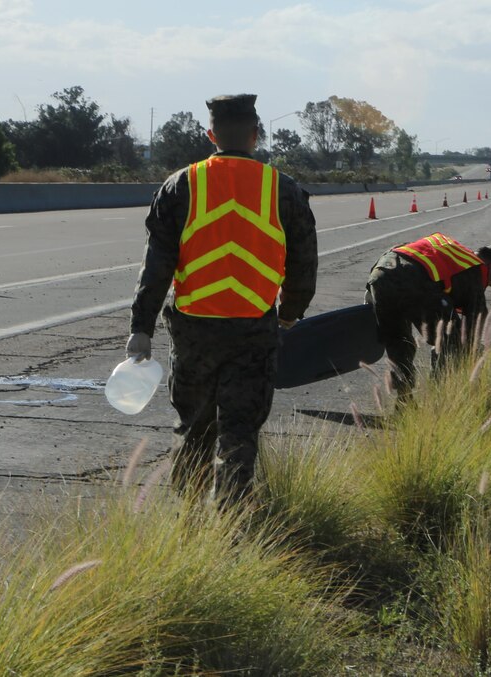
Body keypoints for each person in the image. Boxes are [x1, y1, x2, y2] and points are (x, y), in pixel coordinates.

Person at [125, 94, 318, 506]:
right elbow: (304, 264)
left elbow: (156, 265)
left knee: (193, 427)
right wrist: (289, 315)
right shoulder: (283, 189)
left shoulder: (180, 185)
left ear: (211, 135)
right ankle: (229, 520)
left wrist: (141, 328)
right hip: (253, 327)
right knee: (239, 430)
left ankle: (191, 520)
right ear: (255, 135)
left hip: (194, 329)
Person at [365, 232, 491, 399]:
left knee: (398, 344)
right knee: (451, 340)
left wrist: (371, 289)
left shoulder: (451, 251)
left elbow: (400, 250)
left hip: (380, 273)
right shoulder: (476, 268)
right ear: (490, 266)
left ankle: (404, 401)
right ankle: (438, 399)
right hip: (411, 277)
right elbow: (471, 330)